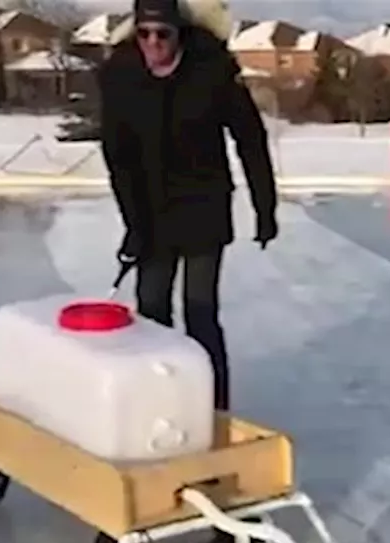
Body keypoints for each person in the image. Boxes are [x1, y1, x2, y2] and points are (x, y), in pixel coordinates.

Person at [97, 0, 278, 412]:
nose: (153, 43)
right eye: (144, 34)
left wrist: (265, 207)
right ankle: (158, 409)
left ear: (180, 34)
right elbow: (118, 157)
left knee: (200, 312)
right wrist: (134, 224)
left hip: (204, 206)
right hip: (151, 210)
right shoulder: (121, 77)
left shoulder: (212, 70)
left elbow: (250, 138)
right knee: (151, 313)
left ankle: (213, 411)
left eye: (163, 34)